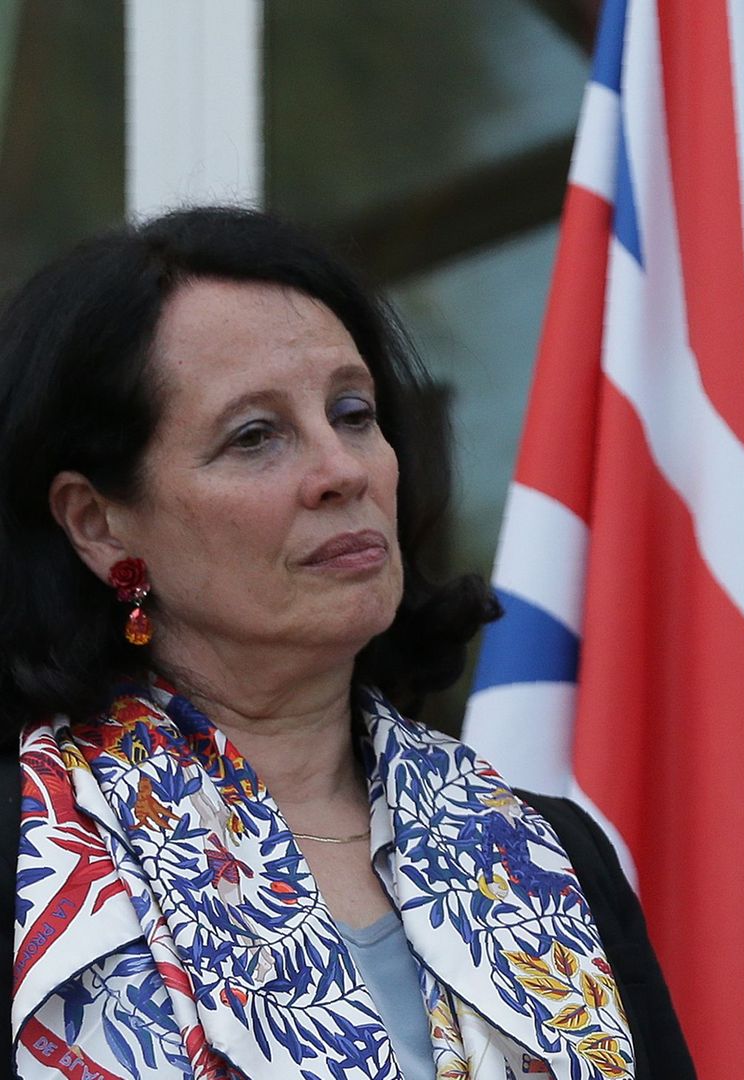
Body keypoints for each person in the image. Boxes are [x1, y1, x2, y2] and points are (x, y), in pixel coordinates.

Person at [0, 208, 697, 1080]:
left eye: (354, 413)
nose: (343, 470)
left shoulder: (548, 852)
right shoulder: (29, 852)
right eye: (255, 436)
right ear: (97, 523)